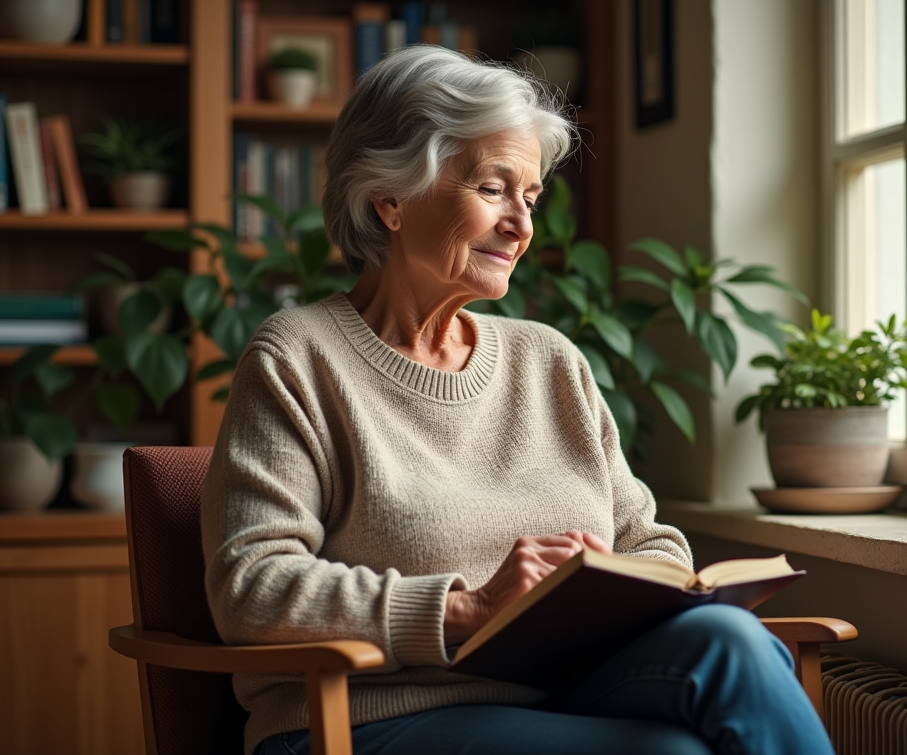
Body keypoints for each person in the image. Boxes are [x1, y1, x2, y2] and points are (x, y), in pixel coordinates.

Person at [202, 45, 834, 755]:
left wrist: (616, 586)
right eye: (493, 189)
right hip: (366, 718)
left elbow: (650, 542)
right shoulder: (298, 357)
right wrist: (464, 609)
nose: (522, 226)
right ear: (391, 200)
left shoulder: (550, 360)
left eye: (529, 198)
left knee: (729, 638)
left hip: (564, 691)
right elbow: (251, 587)